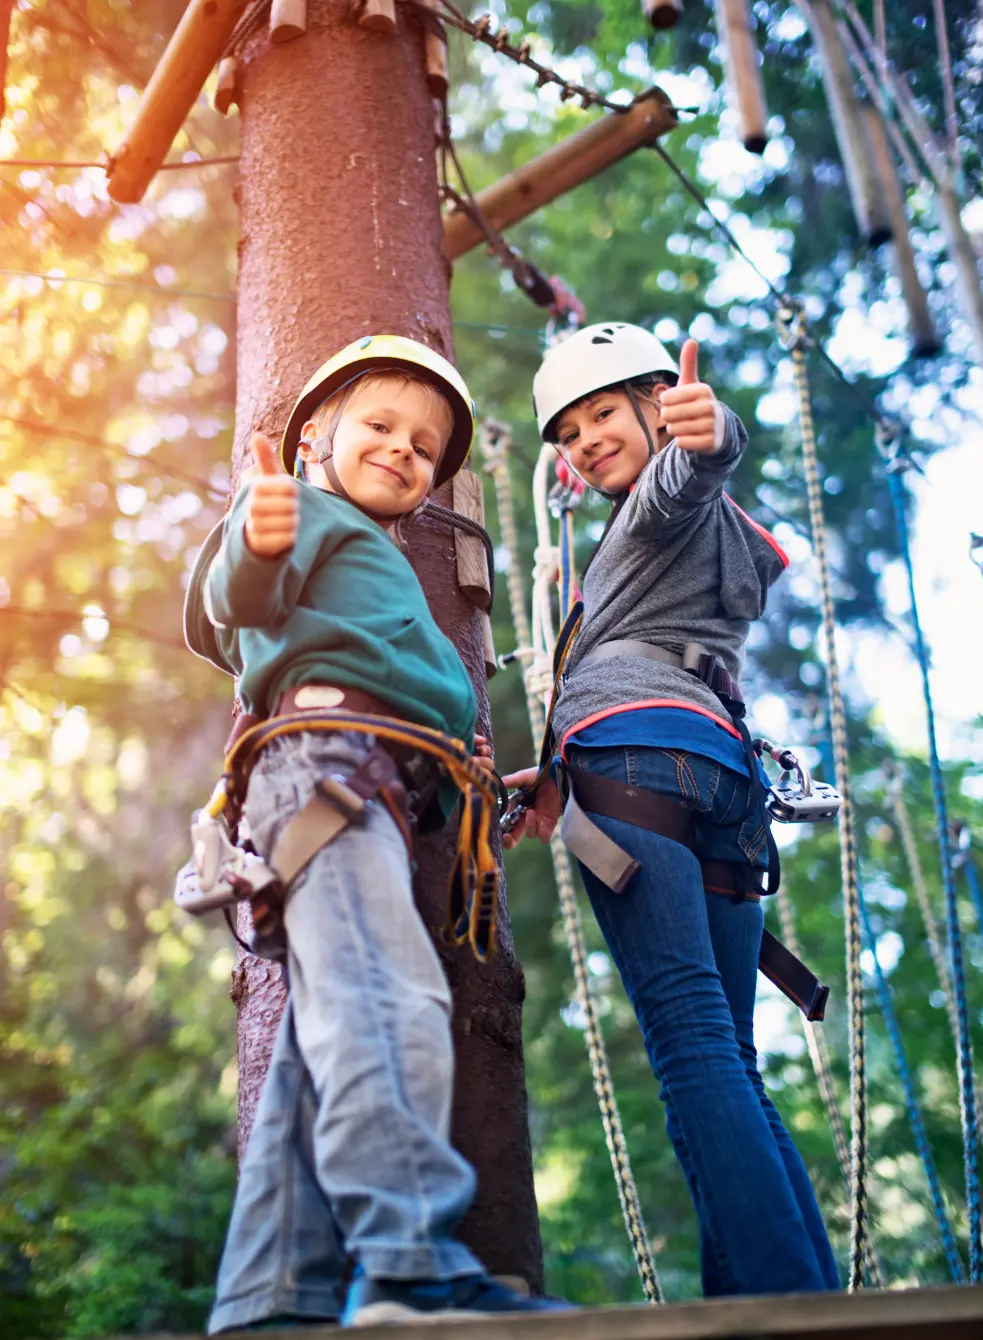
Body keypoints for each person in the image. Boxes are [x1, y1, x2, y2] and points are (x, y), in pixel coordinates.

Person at [183, 336, 568, 1329]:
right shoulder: (299, 513)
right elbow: (233, 605)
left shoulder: (371, 563)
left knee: (332, 1029)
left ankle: (270, 1295)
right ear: (315, 433)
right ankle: (409, 1266)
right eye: (381, 426)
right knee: (385, 997)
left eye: (426, 445)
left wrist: (485, 789)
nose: (404, 449)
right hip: (325, 771)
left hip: (367, 783)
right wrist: (257, 536)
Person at [503, 321, 840, 1296]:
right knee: (731, 1054)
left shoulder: (661, 507)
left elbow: (692, 464)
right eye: (566, 432)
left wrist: (706, 429)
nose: (583, 440)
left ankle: (782, 1308)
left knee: (694, 1039)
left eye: (602, 412)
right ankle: (798, 1294)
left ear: (657, 398)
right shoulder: (678, 542)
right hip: (716, 781)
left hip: (636, 765)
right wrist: (556, 785)